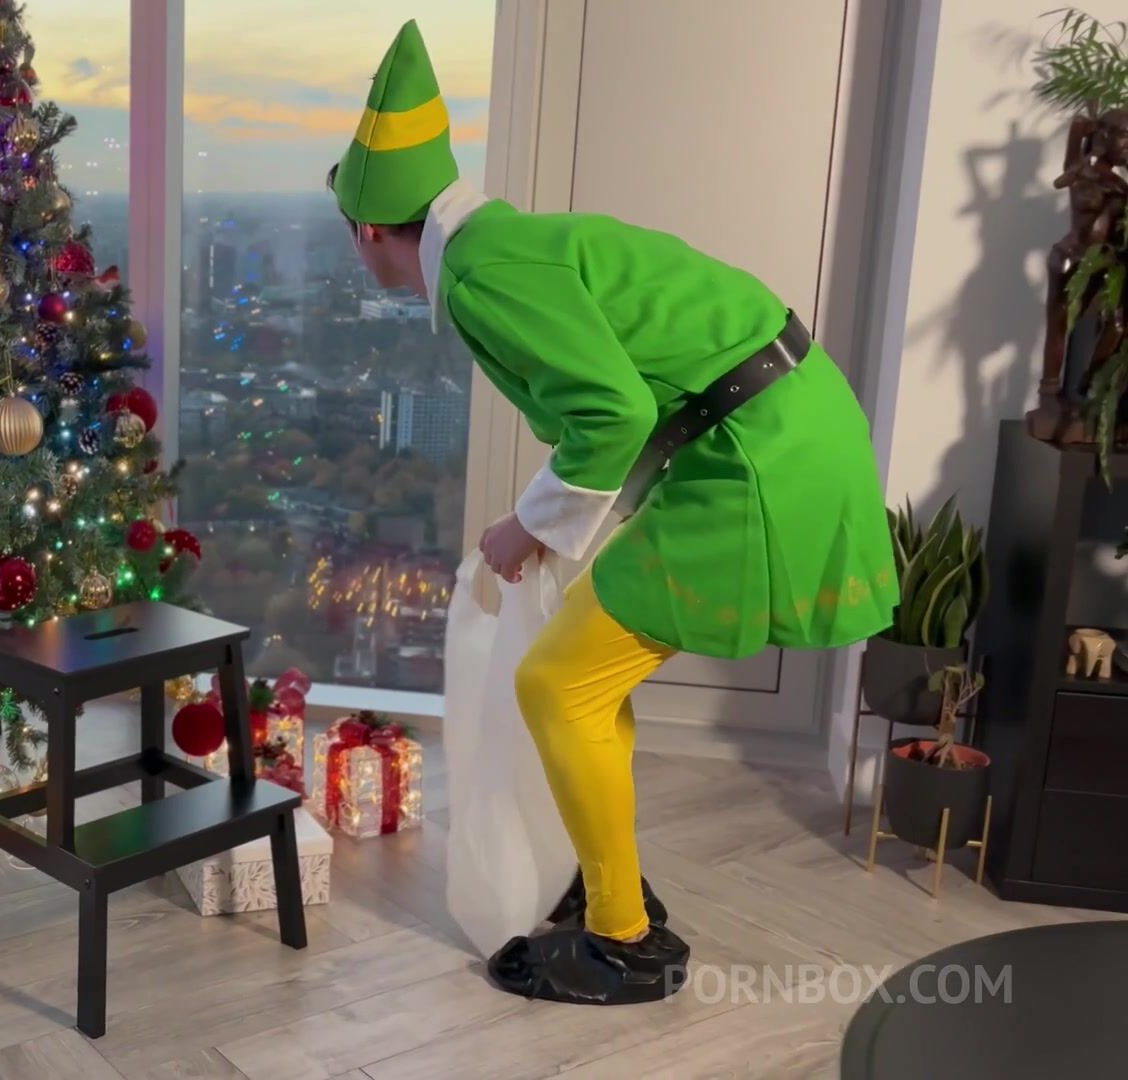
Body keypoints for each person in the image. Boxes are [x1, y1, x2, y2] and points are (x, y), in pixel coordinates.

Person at [332, 20, 895, 1004]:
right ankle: (605, 888)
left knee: (559, 685)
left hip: (758, 460)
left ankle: (624, 942)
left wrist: (526, 527)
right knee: (586, 678)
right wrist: (557, 533)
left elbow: (616, 412)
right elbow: (640, 399)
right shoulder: (501, 246)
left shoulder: (482, 275)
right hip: (767, 433)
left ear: (369, 231)